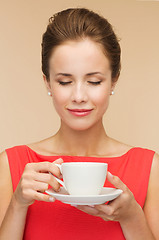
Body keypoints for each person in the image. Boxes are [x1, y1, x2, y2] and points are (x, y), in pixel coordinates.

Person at [0, 7, 158, 240]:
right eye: (65, 81)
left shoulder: (150, 168)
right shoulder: (12, 165)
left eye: (94, 81)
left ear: (114, 80)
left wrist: (132, 216)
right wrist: (18, 203)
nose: (79, 96)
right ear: (48, 83)